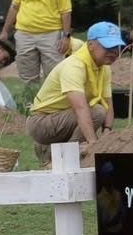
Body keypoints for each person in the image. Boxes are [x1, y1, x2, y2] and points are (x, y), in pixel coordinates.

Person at [26, 21, 124, 164]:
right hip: (41, 123)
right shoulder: (74, 66)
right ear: (90, 44)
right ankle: (64, 159)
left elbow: (108, 103)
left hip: (63, 117)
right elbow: (80, 108)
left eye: (116, 46)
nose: (113, 51)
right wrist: (94, 145)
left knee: (99, 111)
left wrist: (107, 132)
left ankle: (58, 153)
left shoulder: (104, 67)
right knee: (97, 112)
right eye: (107, 46)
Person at [0, 0, 73, 89]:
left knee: (53, 75)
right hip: (25, 34)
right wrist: (5, 31)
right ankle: (30, 102)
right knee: (28, 77)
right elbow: (14, 7)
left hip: (51, 35)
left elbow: (66, 12)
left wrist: (66, 36)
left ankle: (51, 102)